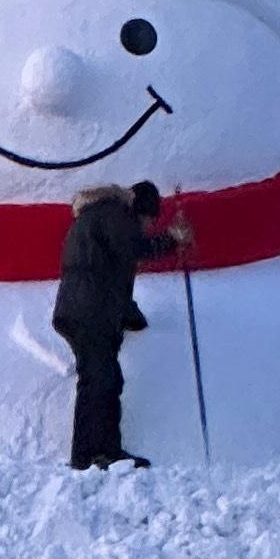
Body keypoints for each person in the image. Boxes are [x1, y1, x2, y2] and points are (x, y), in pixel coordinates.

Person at [52, 178, 186, 471]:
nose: (148, 227)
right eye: (149, 220)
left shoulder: (98, 218)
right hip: (90, 312)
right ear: (140, 210)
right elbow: (133, 247)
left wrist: (131, 316)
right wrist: (172, 238)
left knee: (105, 379)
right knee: (100, 381)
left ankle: (98, 451)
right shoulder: (112, 214)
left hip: (84, 310)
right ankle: (92, 454)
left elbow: (110, 278)